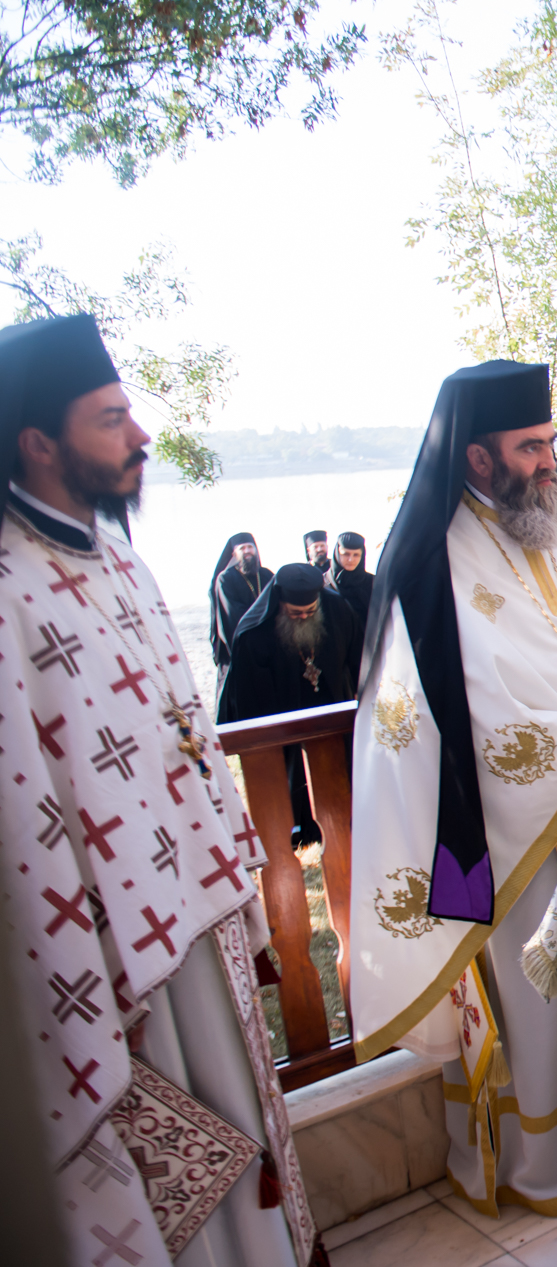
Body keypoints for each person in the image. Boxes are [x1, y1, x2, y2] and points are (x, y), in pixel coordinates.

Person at [0, 314, 319, 1265]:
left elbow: (187, 729)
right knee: (177, 1183)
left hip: (200, 909)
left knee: (246, 1137)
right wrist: (81, 967)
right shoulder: (12, 588)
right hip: (116, 958)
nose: (140, 436)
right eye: (111, 420)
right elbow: (22, 806)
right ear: (38, 443)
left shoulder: (120, 558)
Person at [348, 360, 557, 1220]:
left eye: (549, 442)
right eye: (529, 446)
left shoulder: (553, 525)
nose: (548, 461)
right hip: (509, 823)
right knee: (544, 991)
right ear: (477, 458)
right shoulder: (433, 561)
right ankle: (552, 1159)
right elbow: (454, 701)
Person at [218, 561, 365, 846]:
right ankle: (302, 830)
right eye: (295, 613)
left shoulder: (337, 609)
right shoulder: (254, 631)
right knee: (294, 773)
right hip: (283, 712)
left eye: (310, 611)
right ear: (280, 603)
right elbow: (249, 696)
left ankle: (347, 819)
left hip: (331, 703)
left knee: (342, 764)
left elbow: (358, 655)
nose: (303, 617)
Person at [211, 530, 271, 690]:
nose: (247, 551)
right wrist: (265, 622)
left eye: (250, 547)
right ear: (234, 554)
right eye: (242, 548)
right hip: (241, 645)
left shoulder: (267, 575)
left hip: (269, 645)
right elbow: (233, 615)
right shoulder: (225, 579)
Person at [330, 528, 375, 622]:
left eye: (356, 555)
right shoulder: (324, 583)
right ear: (337, 554)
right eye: (346, 554)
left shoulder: (374, 583)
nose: (350, 559)